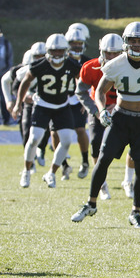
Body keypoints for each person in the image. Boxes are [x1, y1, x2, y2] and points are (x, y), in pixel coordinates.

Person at [71, 21, 140, 228]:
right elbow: (99, 92)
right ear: (125, 42)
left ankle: (135, 212)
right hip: (120, 118)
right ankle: (91, 203)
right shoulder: (114, 64)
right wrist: (101, 110)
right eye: (133, 41)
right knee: (103, 159)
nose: (136, 45)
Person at [11, 33, 80, 188]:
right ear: (48, 50)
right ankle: (26, 171)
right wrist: (18, 103)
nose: (57, 54)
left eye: (60, 51)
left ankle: (51, 173)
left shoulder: (72, 64)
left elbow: (80, 79)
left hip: (62, 106)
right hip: (42, 104)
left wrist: (81, 97)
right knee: (34, 138)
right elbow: (25, 82)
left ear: (65, 50)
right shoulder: (39, 64)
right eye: (54, 51)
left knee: (67, 140)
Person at [75, 33, 127, 200]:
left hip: (123, 109)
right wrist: (96, 109)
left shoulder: (130, 66)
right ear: (101, 51)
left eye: (115, 53)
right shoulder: (91, 67)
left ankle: (128, 180)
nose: (111, 57)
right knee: (96, 143)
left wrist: (119, 105)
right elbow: (81, 91)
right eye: (107, 53)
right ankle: (102, 184)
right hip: (99, 110)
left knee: (124, 145)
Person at [54, 26, 92, 181]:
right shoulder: (60, 60)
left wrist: (86, 100)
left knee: (80, 130)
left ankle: (85, 161)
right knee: (55, 133)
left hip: (77, 101)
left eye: (79, 43)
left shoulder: (88, 61)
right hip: (60, 101)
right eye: (73, 43)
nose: (77, 46)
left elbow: (92, 83)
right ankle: (64, 165)